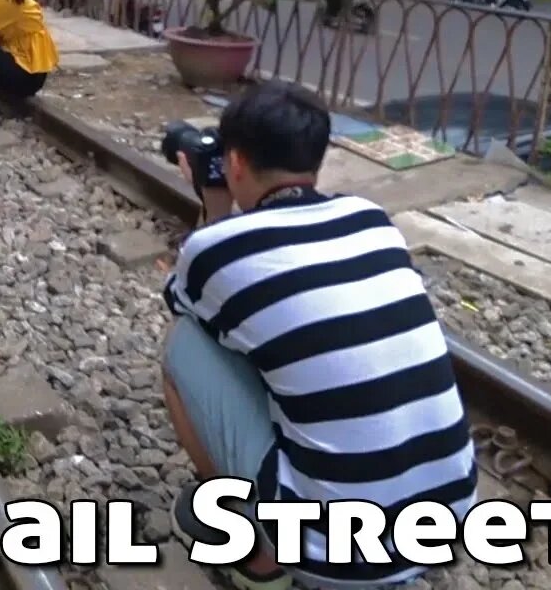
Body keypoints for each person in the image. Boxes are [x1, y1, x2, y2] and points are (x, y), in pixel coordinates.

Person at [160, 81, 477, 590]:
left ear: (235, 162)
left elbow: (189, 306)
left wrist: (214, 209)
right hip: (448, 519)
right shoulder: (372, 221)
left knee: (183, 345)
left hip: (328, 555)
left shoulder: (217, 248)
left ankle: (258, 554)